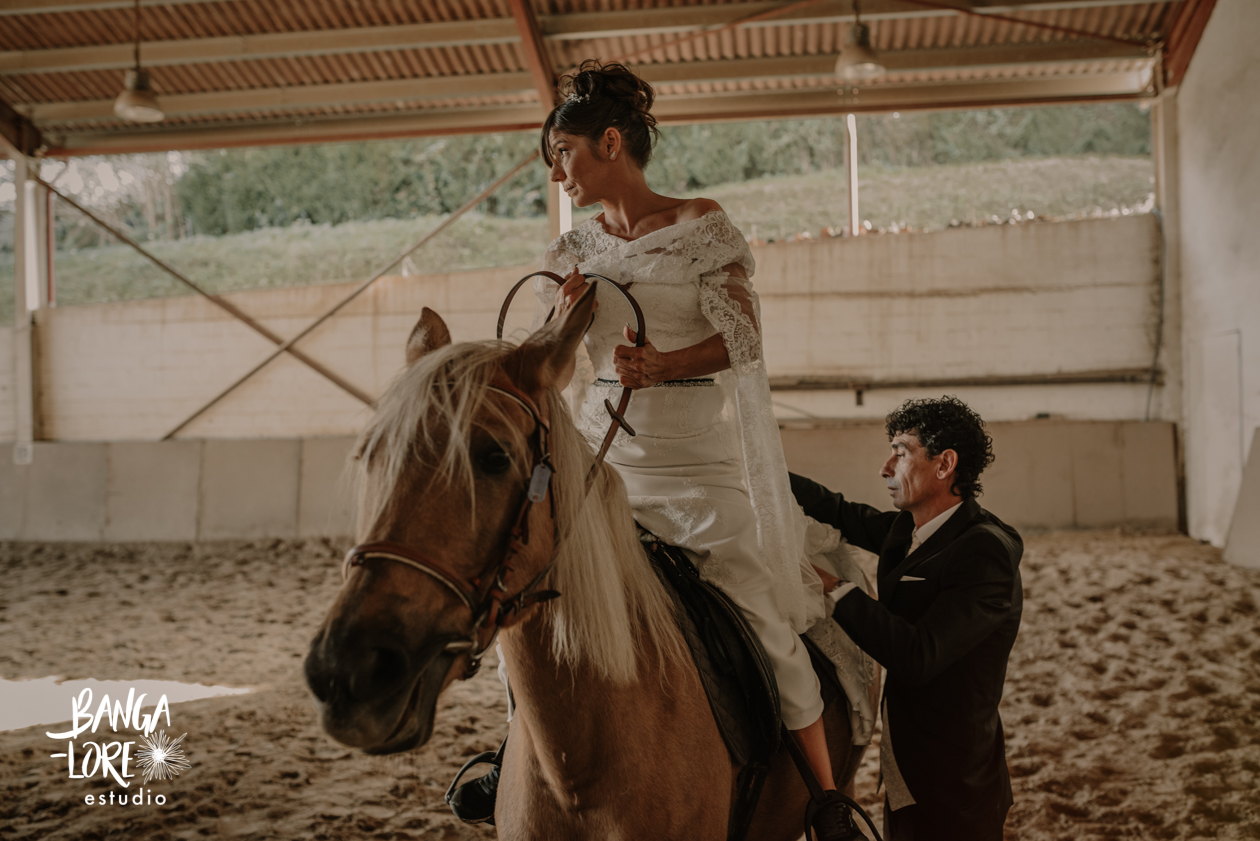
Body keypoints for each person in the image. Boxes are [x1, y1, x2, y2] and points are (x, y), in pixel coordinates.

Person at [448, 60, 859, 839]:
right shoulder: (571, 248)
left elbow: (743, 337)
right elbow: (557, 369)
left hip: (699, 464)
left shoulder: (701, 224)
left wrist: (663, 363)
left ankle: (827, 794)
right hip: (607, 466)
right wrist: (564, 323)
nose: (559, 172)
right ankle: (517, 759)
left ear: (611, 142)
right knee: (530, 611)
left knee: (764, 618)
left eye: (565, 152)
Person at [789, 396, 1023, 841]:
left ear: (944, 464)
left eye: (900, 452)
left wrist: (833, 585)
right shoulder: (909, 527)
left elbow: (918, 656)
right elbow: (838, 510)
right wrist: (756, 468)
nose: (885, 467)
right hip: (906, 764)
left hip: (954, 781)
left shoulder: (984, 552)